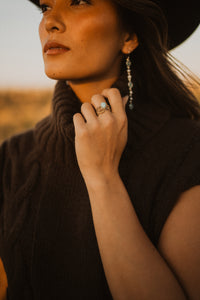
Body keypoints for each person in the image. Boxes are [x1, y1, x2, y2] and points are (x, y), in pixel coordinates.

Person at [0, 0, 200, 299]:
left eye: (79, 1)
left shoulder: (188, 150)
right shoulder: (13, 156)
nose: (50, 21)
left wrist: (103, 177)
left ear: (129, 36)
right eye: (45, 7)